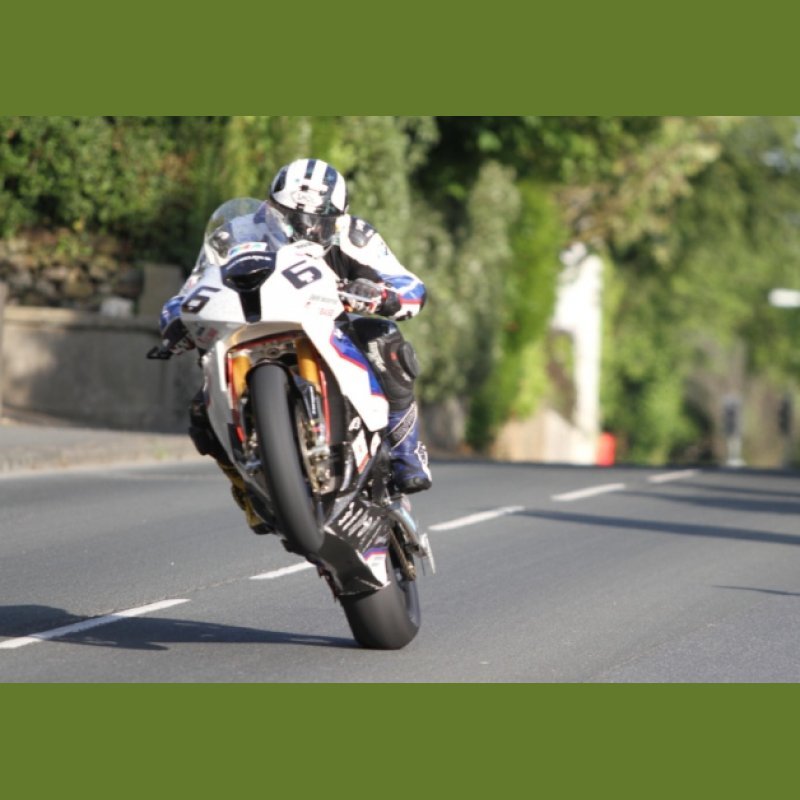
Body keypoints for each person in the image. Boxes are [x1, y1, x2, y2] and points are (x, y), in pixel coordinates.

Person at [159, 158, 432, 534]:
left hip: (326, 327)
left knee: (384, 342)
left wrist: (383, 295)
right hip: (247, 331)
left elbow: (409, 285)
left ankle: (406, 453)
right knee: (200, 412)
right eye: (290, 217)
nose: (305, 229)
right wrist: (175, 319)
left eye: (319, 221)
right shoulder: (233, 234)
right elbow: (192, 288)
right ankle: (247, 489)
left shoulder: (355, 235)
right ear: (270, 207)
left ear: (338, 217)